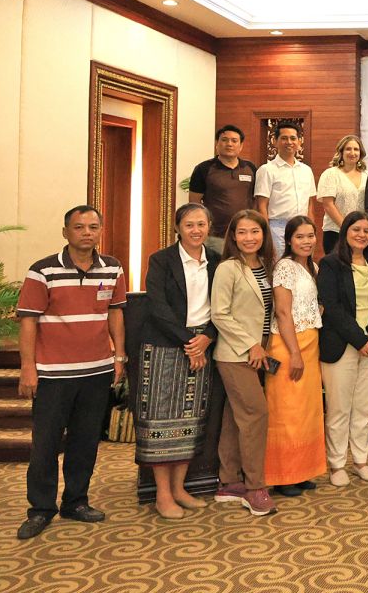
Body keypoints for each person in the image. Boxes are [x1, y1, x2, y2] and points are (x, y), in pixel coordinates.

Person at [15, 205, 127, 540]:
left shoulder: (113, 268)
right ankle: (40, 509)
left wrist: (118, 356)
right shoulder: (43, 271)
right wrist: (27, 368)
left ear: (100, 230)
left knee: (85, 442)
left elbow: (116, 314)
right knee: (46, 444)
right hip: (52, 373)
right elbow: (28, 321)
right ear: (66, 232)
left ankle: (75, 501)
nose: (86, 233)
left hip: (95, 370)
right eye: (79, 227)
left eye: (93, 227)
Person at [137, 203, 220, 519]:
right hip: (165, 346)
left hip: (202, 342)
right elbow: (157, 307)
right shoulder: (161, 260)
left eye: (201, 224)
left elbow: (223, 304)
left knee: (190, 418)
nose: (196, 230)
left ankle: (180, 488)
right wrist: (191, 342)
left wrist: (207, 337)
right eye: (189, 225)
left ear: (208, 226)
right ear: (178, 228)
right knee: (161, 421)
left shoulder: (216, 261)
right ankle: (162, 494)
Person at [210, 209, 277, 517]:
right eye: (242, 232)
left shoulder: (266, 266)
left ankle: (229, 481)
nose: (249, 238)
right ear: (233, 237)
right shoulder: (228, 268)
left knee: (234, 417)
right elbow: (219, 313)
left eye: (255, 232)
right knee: (255, 413)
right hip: (235, 354)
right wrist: (250, 344)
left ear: (263, 235)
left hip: (260, 353)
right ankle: (254, 487)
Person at [317, 211, 368, 487]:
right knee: (338, 408)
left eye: (366, 231)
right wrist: (360, 340)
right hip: (342, 344)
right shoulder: (331, 264)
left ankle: (360, 460)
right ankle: (336, 464)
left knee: (364, 406)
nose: (361, 235)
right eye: (356, 229)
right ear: (345, 231)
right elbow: (331, 308)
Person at [264, 216, 327, 496]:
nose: (306, 241)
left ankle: (301, 471)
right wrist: (294, 353)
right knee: (285, 411)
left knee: (306, 412)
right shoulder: (285, 267)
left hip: (310, 341)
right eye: (300, 236)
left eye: (310, 236)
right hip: (288, 345)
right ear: (289, 240)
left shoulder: (311, 266)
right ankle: (282, 475)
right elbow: (283, 312)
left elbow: (308, 304)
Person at [188, 124, 257, 254]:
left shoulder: (250, 168)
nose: (229, 144)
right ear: (217, 144)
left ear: (241, 145)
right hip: (216, 235)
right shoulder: (204, 169)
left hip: (245, 235)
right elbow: (194, 205)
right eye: (224, 140)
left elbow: (257, 200)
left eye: (234, 141)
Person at [254, 122, 316, 257]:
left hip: (302, 226)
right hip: (278, 228)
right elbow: (262, 206)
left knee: (302, 266)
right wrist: (266, 234)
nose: (289, 142)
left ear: (299, 142)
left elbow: (310, 204)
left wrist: (311, 231)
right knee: (279, 267)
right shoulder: (267, 170)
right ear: (275, 141)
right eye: (284, 138)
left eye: (293, 138)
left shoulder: (306, 170)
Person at [317, 134, 367, 253]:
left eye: (356, 149)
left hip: (361, 234)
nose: (352, 152)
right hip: (336, 233)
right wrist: (347, 228)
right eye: (348, 149)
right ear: (341, 152)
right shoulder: (331, 174)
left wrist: (357, 230)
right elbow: (328, 205)